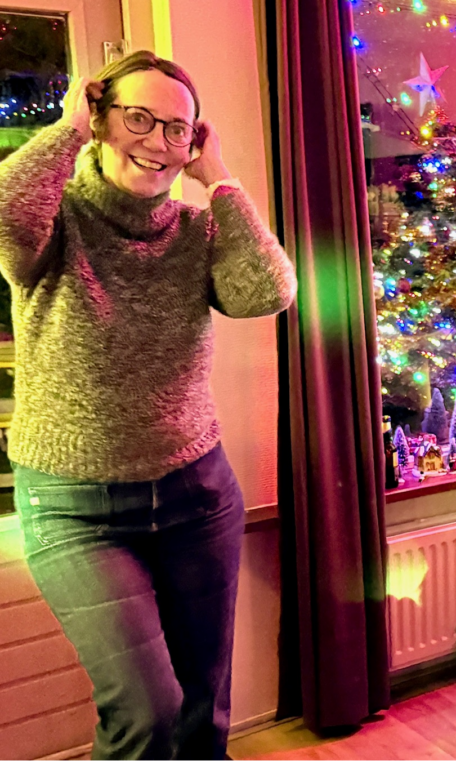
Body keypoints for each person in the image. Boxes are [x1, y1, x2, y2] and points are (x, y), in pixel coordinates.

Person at [0, 52, 296, 759]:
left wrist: (219, 177)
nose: (158, 142)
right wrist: (68, 131)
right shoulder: (56, 222)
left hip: (196, 493)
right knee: (146, 712)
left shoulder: (195, 230)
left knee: (201, 708)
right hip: (75, 509)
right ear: (100, 117)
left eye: (177, 128)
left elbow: (267, 290)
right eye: (138, 118)